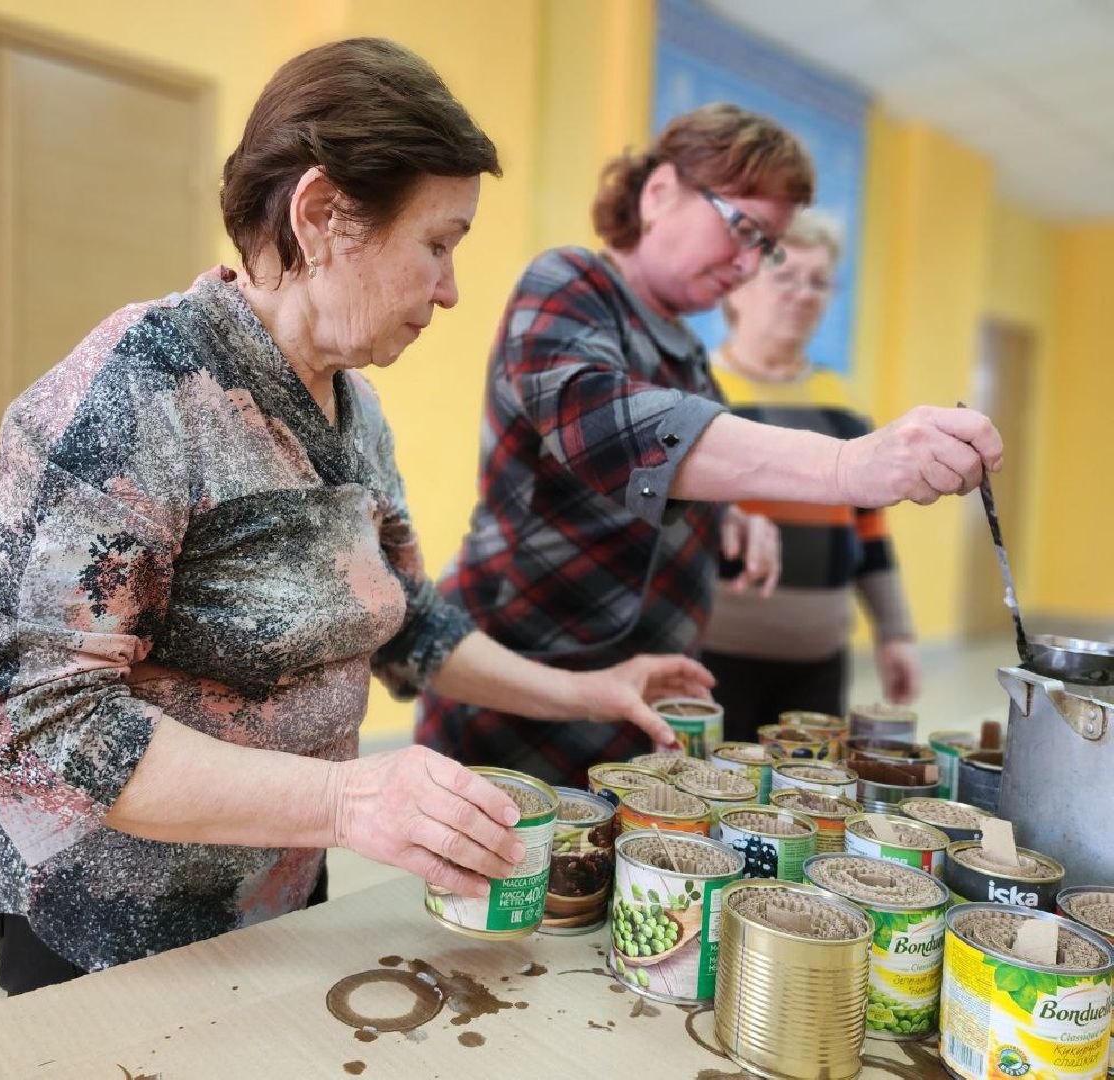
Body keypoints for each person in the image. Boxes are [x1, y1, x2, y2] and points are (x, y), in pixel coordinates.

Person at [0, 38, 710, 996]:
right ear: (321, 216)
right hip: (108, 933)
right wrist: (350, 798)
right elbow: (36, 727)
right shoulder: (136, 396)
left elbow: (411, 625)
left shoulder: (352, 407)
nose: (449, 289)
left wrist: (590, 691)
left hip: (279, 894)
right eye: (437, 244)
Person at [416, 104, 1000, 789]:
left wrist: (727, 517)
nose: (749, 264)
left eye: (767, 246)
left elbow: (666, 481)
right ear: (661, 191)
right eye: (743, 228)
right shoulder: (572, 283)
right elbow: (600, 427)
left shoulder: (690, 355)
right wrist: (847, 464)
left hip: (638, 702)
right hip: (519, 690)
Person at [702, 208, 918, 739]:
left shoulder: (841, 399)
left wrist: (895, 633)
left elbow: (869, 530)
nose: (804, 293)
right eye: (786, 275)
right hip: (711, 659)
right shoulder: (698, 388)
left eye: (819, 281)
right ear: (737, 287)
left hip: (820, 664)